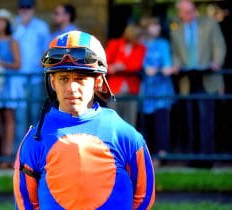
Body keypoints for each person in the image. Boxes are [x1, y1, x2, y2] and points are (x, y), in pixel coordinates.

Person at [13, 31, 155, 209]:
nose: (71, 88)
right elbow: (25, 202)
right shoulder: (35, 140)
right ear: (52, 81)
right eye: (63, 79)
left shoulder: (124, 135)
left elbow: (144, 197)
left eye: (80, 79)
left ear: (98, 81)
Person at [170, 0, 226, 161]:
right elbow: (176, 52)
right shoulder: (176, 28)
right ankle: (192, 157)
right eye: (185, 12)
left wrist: (217, 62)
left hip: (207, 76)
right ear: (179, 13)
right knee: (190, 119)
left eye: (191, 11)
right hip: (187, 79)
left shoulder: (209, 24)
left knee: (206, 119)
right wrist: (175, 64)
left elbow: (219, 46)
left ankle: (207, 158)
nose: (189, 15)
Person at [13, 0, 51, 151]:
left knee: (35, 114)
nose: (24, 10)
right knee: (19, 117)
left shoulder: (41, 26)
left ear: (33, 9)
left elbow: (46, 51)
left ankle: (34, 151)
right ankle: (19, 152)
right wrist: (21, 26)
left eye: (27, 7)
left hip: (35, 77)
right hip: (16, 79)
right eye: (22, 7)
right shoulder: (14, 24)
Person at [0, 9, 21, 169]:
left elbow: (17, 64)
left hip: (8, 84)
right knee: (2, 119)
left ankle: (7, 156)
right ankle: (3, 155)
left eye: (2, 20)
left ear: (7, 23)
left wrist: (0, 64)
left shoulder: (12, 41)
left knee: (9, 119)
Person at [139, 17, 175, 166]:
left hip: (162, 90)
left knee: (162, 121)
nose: (156, 28)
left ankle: (161, 155)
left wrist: (164, 68)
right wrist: (145, 68)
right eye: (153, 25)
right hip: (146, 90)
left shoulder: (163, 44)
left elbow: (167, 64)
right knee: (147, 123)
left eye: (157, 25)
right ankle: (148, 155)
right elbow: (138, 62)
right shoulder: (141, 44)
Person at [105, 22, 146, 126]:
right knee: (114, 122)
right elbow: (105, 63)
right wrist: (112, 67)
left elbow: (136, 65)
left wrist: (119, 66)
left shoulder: (141, 48)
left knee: (130, 122)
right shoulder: (114, 44)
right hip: (114, 89)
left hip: (132, 89)